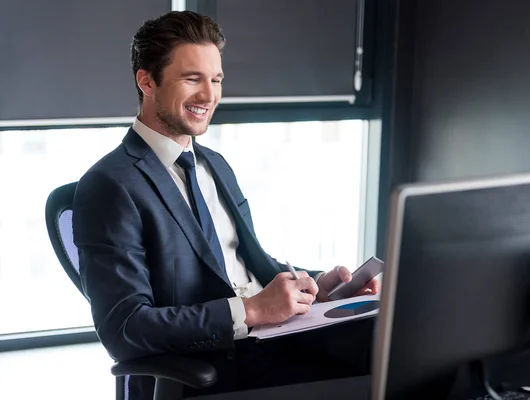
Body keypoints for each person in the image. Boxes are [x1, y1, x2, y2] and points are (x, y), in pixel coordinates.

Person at [72, 10, 380, 400]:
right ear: (146, 81)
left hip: (272, 338)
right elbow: (127, 329)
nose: (209, 95)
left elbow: (247, 265)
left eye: (215, 79)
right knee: (385, 362)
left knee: (392, 333)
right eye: (192, 79)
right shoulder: (109, 186)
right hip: (218, 364)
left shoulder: (213, 164)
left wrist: (318, 289)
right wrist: (251, 312)